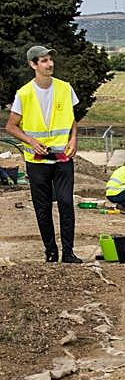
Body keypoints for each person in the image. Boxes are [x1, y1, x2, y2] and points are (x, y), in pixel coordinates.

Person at [4, 45, 81, 262]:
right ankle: (50, 251)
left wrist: (74, 138)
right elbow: (11, 126)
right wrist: (31, 141)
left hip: (63, 156)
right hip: (37, 160)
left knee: (66, 202)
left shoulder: (65, 88)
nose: (50, 64)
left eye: (50, 59)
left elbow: (72, 118)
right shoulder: (24, 93)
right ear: (33, 65)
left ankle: (68, 252)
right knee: (43, 207)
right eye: (44, 60)